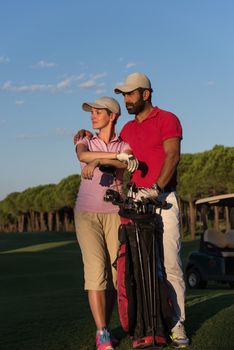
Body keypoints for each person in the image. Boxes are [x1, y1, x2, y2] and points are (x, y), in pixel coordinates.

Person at [74, 73, 189, 348]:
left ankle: (176, 324)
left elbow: (172, 155)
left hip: (162, 199)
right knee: (135, 268)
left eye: (130, 94)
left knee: (169, 263)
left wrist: (156, 187)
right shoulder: (125, 129)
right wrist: (88, 138)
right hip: (134, 202)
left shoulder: (168, 119)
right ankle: (144, 324)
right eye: (123, 95)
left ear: (145, 94)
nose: (126, 99)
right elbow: (117, 155)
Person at [74, 96, 138, 350]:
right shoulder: (84, 138)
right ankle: (101, 332)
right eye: (92, 112)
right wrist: (105, 157)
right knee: (96, 272)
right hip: (86, 214)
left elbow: (126, 162)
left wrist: (99, 160)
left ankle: (107, 326)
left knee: (113, 275)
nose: (93, 115)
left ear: (112, 115)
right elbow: (83, 154)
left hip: (115, 213)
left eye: (99, 112)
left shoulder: (126, 144)